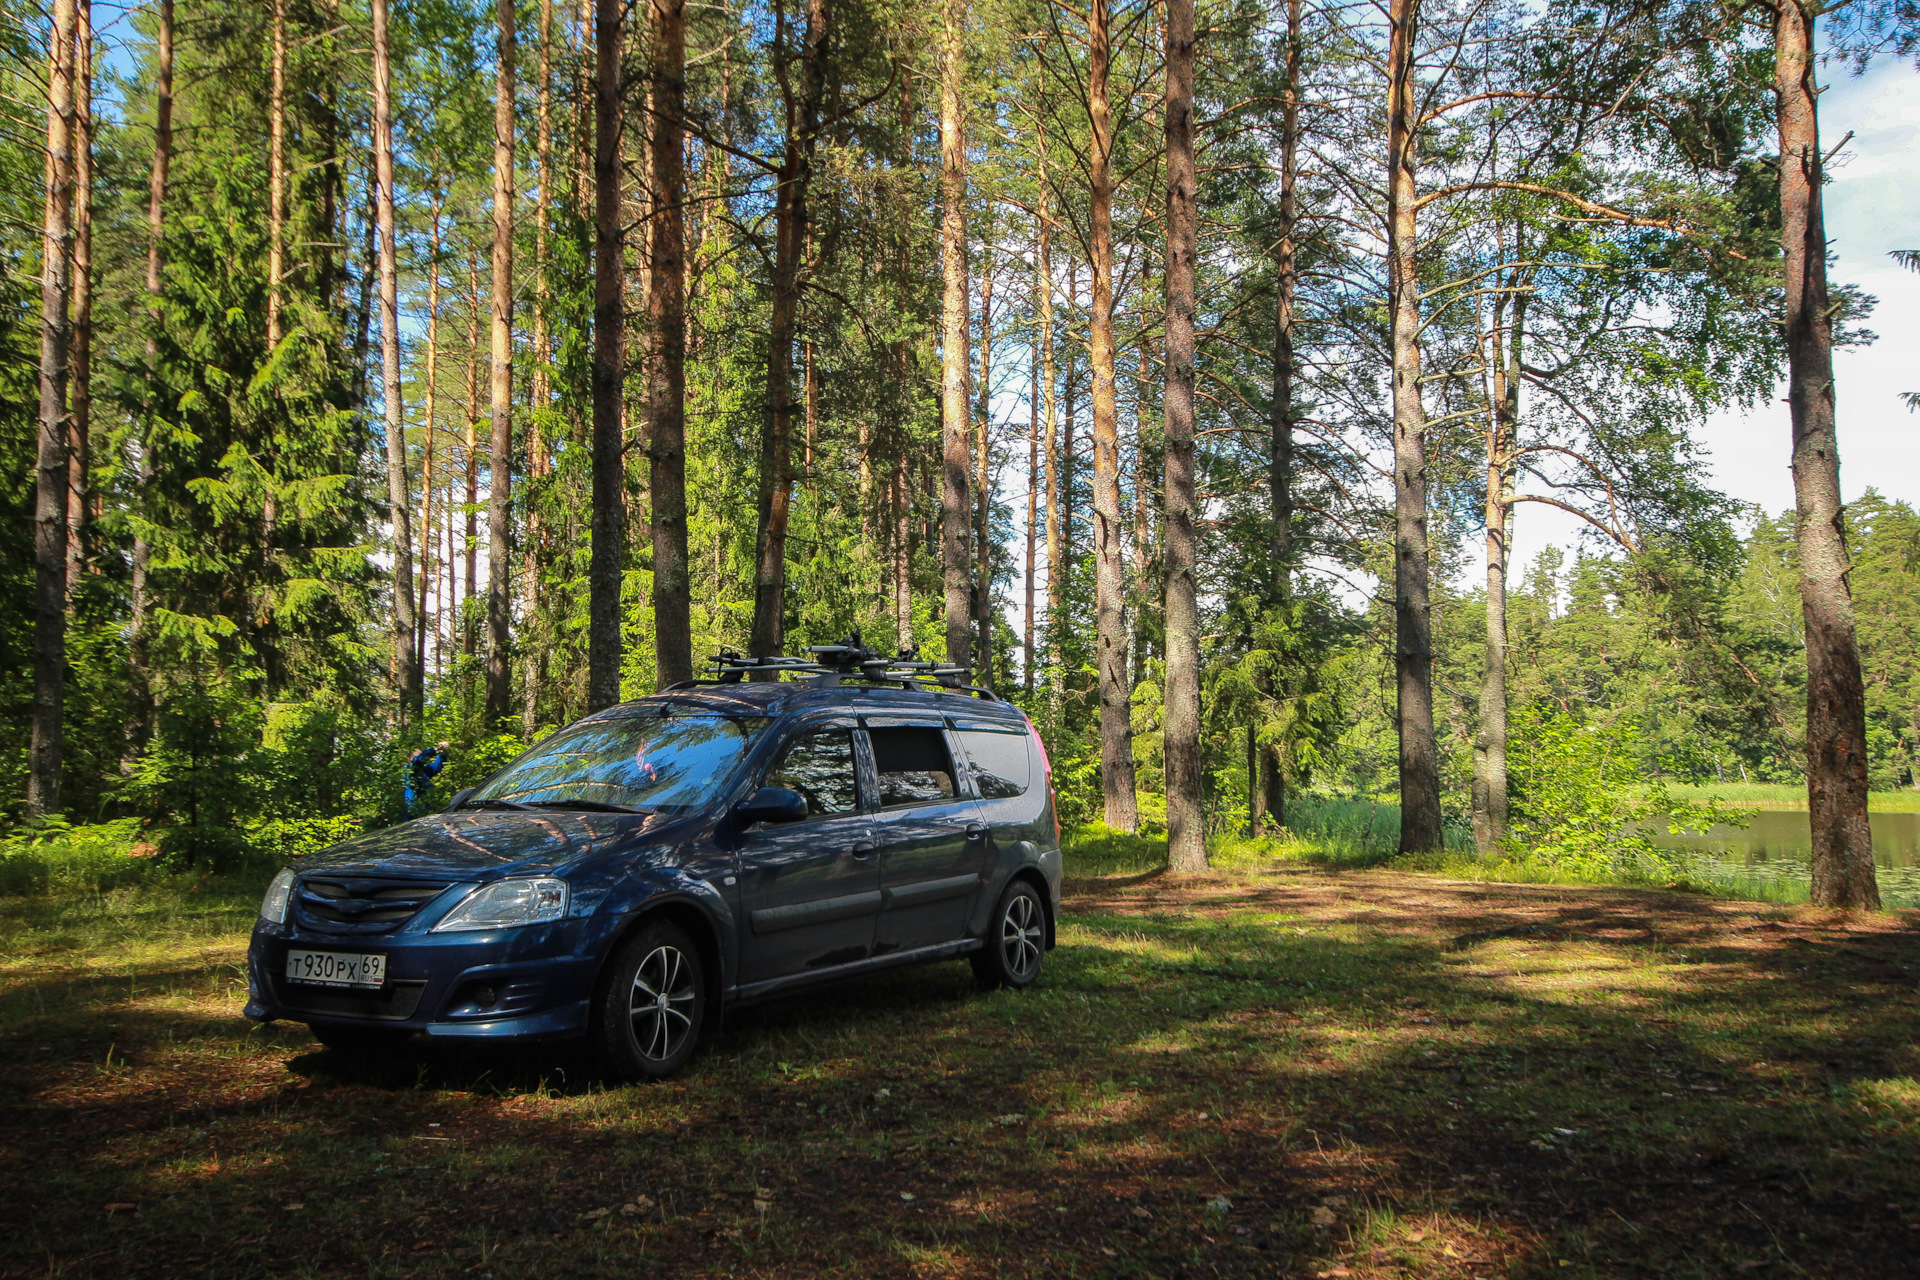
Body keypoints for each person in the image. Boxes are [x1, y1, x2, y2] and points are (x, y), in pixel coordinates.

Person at [405, 742, 450, 815]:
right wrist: (436, 749)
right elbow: (419, 760)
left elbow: (436, 767)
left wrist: (443, 753)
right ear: (410, 758)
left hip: (426, 808)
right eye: (419, 755)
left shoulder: (422, 771)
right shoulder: (409, 770)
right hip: (414, 810)